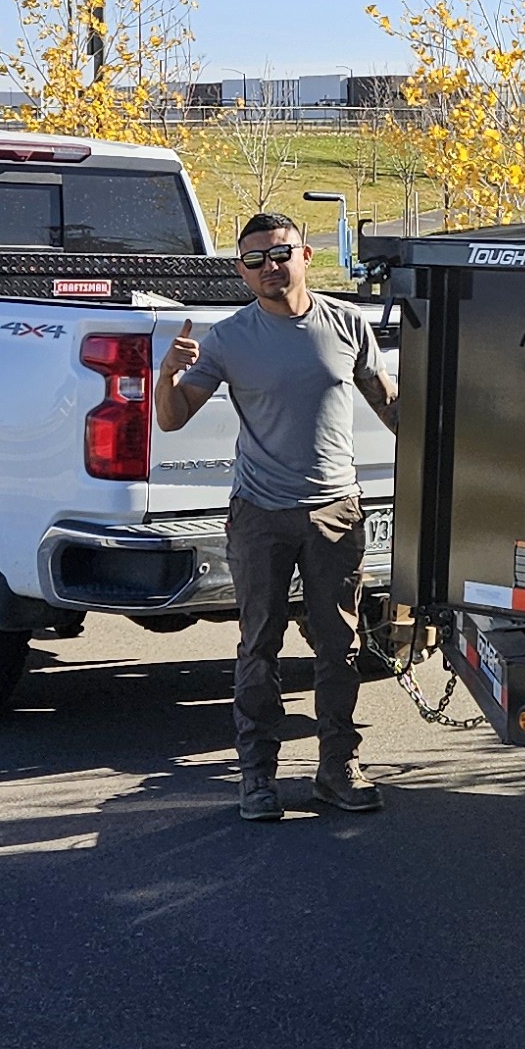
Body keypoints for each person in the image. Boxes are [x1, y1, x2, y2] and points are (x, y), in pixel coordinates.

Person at [158, 211, 401, 819]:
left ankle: (336, 770)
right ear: (243, 272)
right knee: (258, 647)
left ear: (306, 255)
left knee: (338, 645)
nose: (270, 268)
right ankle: (257, 777)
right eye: (255, 261)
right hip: (260, 514)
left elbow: (391, 406)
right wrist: (167, 374)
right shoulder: (227, 338)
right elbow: (172, 417)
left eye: (280, 254)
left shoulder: (348, 325)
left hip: (334, 513)